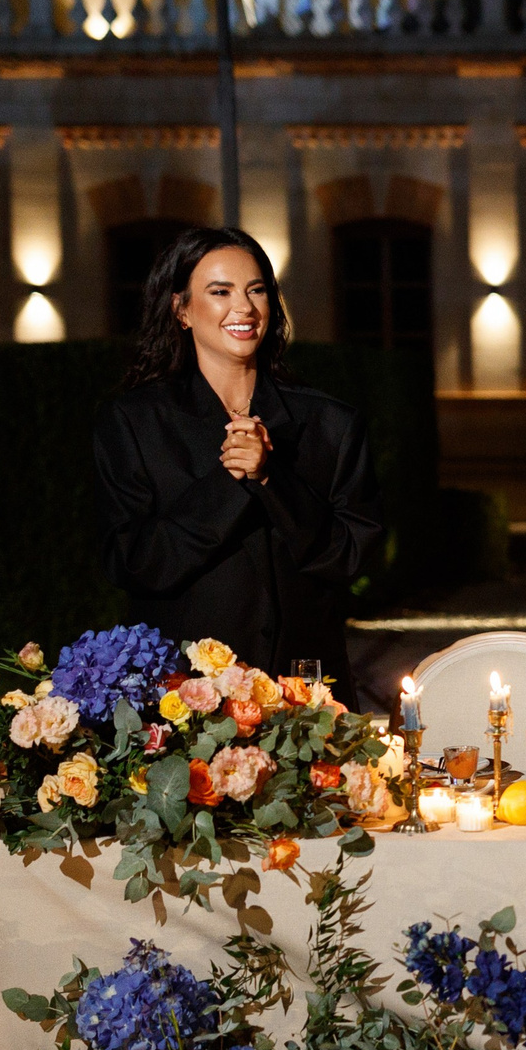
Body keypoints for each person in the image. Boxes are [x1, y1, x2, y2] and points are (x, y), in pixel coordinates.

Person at [94, 227, 383, 705]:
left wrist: (272, 478)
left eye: (256, 290)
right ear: (181, 310)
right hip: (184, 704)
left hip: (307, 700)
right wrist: (227, 484)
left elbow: (353, 555)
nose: (244, 308)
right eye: (220, 291)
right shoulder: (133, 422)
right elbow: (133, 561)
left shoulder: (331, 422)